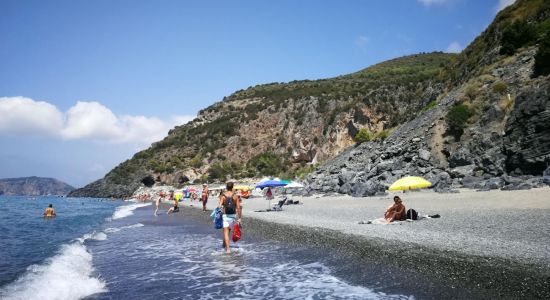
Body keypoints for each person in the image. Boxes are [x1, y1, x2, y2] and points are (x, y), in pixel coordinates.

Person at [217, 182, 242, 253]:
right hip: (233, 216)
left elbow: (219, 206)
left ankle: (228, 249)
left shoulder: (223, 196)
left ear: (226, 187)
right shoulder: (235, 196)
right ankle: (224, 244)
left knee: (225, 232)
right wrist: (239, 218)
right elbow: (238, 207)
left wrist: (220, 210)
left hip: (225, 216)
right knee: (229, 231)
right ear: (232, 187)